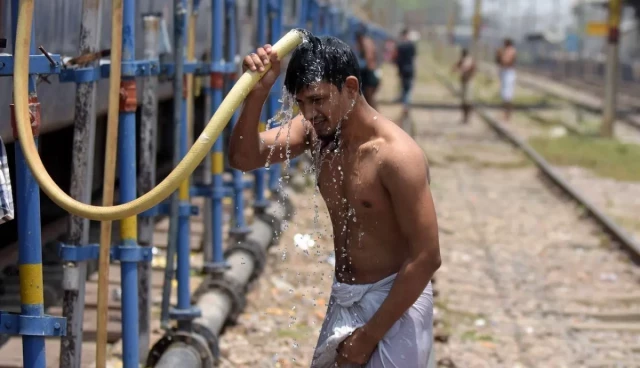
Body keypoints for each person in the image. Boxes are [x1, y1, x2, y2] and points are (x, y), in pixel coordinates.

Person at [229, 36, 441, 367]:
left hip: (395, 301)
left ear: (351, 87)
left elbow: (427, 257)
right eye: (300, 103)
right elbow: (244, 157)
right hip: (344, 296)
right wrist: (256, 93)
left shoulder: (396, 156)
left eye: (317, 99)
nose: (310, 113)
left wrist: (368, 337)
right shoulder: (319, 132)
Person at [355, 28, 381, 109]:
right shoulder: (368, 42)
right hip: (370, 72)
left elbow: (369, 59)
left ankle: (375, 117)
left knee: (369, 98)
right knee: (368, 98)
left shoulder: (365, 43)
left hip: (369, 74)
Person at [394, 28, 417, 117]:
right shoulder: (411, 45)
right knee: (408, 88)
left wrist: (398, 70)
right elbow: (414, 58)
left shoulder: (400, 46)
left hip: (402, 69)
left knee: (404, 87)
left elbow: (397, 59)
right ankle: (406, 105)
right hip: (410, 69)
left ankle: (404, 104)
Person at [451, 48, 476, 123]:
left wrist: (467, 73)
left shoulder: (470, 61)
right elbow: (454, 67)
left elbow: (473, 70)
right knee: (464, 101)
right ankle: (465, 117)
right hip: (463, 82)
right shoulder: (462, 61)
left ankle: (467, 117)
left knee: (468, 100)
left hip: (468, 82)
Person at [495, 38, 517, 121]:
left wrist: (500, 55)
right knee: (504, 95)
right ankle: (505, 114)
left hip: (508, 73)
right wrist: (498, 55)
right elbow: (499, 61)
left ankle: (508, 114)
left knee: (507, 95)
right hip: (504, 72)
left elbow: (506, 62)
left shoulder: (511, 51)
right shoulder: (504, 51)